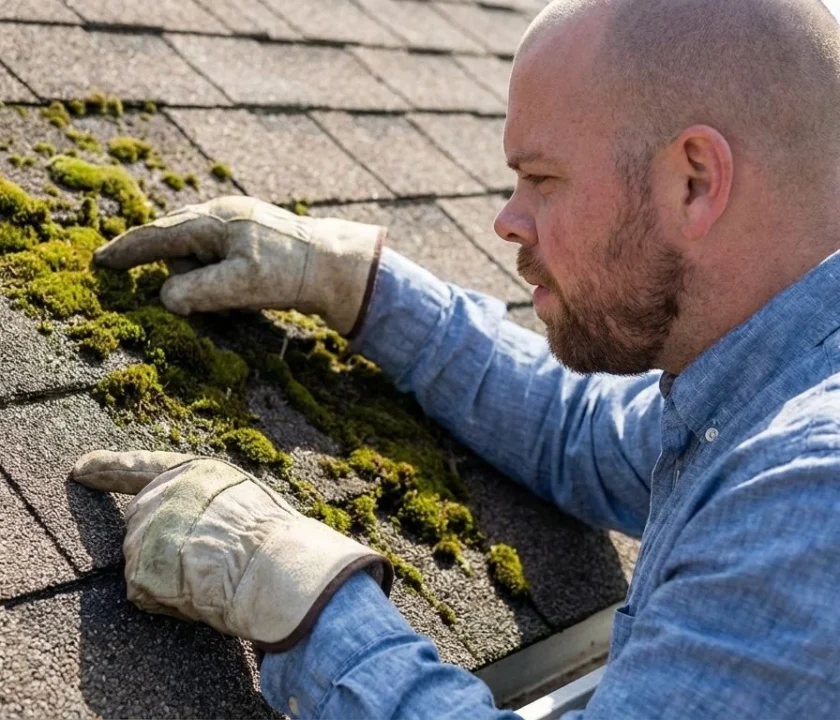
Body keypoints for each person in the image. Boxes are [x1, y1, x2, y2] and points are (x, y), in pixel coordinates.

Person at [70, 0, 840, 716]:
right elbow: (584, 437)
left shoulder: (809, 499)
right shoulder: (759, 387)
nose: (508, 220)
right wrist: (358, 285)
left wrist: (297, 600)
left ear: (695, 181)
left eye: (542, 179)